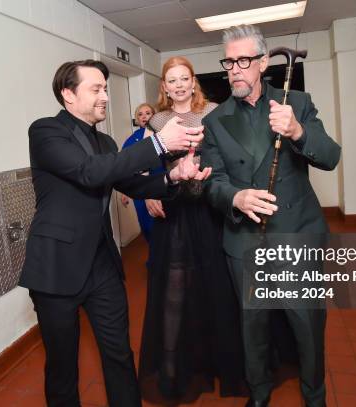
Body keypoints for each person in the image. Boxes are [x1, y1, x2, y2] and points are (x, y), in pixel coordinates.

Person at [19, 59, 211, 407]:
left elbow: (131, 183)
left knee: (119, 355)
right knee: (62, 368)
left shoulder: (106, 142)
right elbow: (88, 172)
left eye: (105, 88)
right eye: (96, 89)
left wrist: (172, 177)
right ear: (68, 94)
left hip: (102, 265)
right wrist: (158, 145)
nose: (104, 96)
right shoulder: (46, 131)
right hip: (55, 268)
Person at [201, 25, 341, 407]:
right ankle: (259, 393)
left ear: (263, 63)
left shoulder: (295, 101)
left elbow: (330, 156)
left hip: (296, 234)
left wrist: (297, 131)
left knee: (307, 325)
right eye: (229, 62)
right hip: (245, 240)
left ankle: (315, 397)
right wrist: (236, 196)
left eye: (244, 61)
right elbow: (211, 183)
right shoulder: (215, 121)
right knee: (253, 326)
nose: (235, 70)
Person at [138, 56, 247, 404]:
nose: (180, 85)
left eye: (185, 78)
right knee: (176, 289)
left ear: (193, 81)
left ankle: (226, 367)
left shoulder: (214, 111)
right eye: (172, 80)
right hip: (178, 212)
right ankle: (175, 372)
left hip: (212, 207)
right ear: (165, 87)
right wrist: (150, 192)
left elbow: (234, 155)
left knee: (219, 288)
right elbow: (141, 165)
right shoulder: (156, 120)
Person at [119, 103, 160, 243]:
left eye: (148, 113)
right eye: (140, 114)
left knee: (164, 227)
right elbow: (125, 166)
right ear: (137, 119)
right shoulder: (132, 139)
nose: (144, 116)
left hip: (161, 187)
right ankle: (155, 260)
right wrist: (125, 191)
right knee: (147, 227)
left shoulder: (162, 134)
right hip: (141, 191)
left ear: (154, 115)